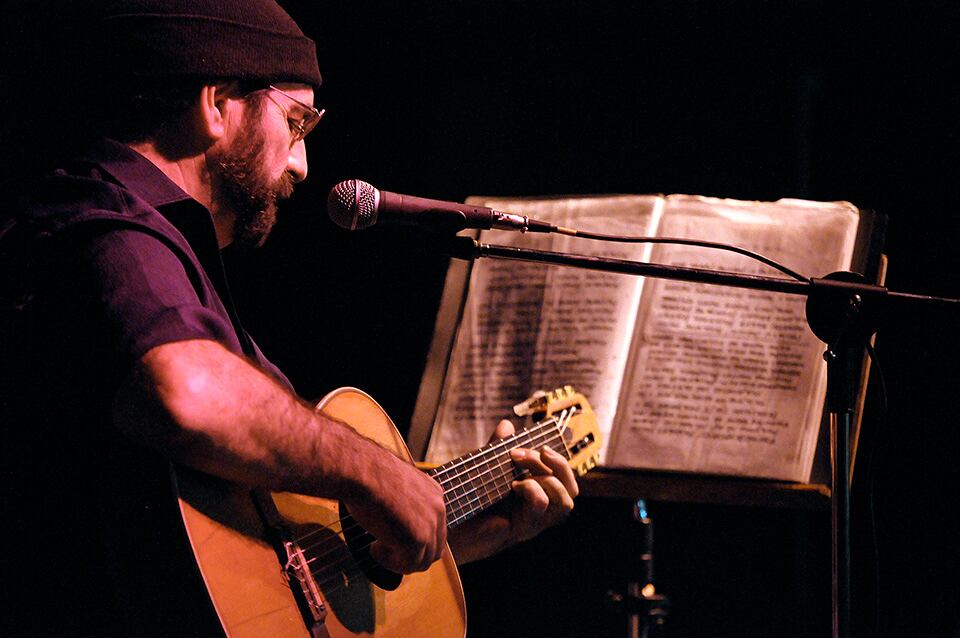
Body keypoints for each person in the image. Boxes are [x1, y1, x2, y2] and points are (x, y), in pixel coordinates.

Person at [0, 1, 578, 635]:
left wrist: (440, 536)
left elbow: (265, 578)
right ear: (217, 103)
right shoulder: (102, 226)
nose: (303, 165)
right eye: (297, 122)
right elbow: (184, 392)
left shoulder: (170, 260)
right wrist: (373, 472)